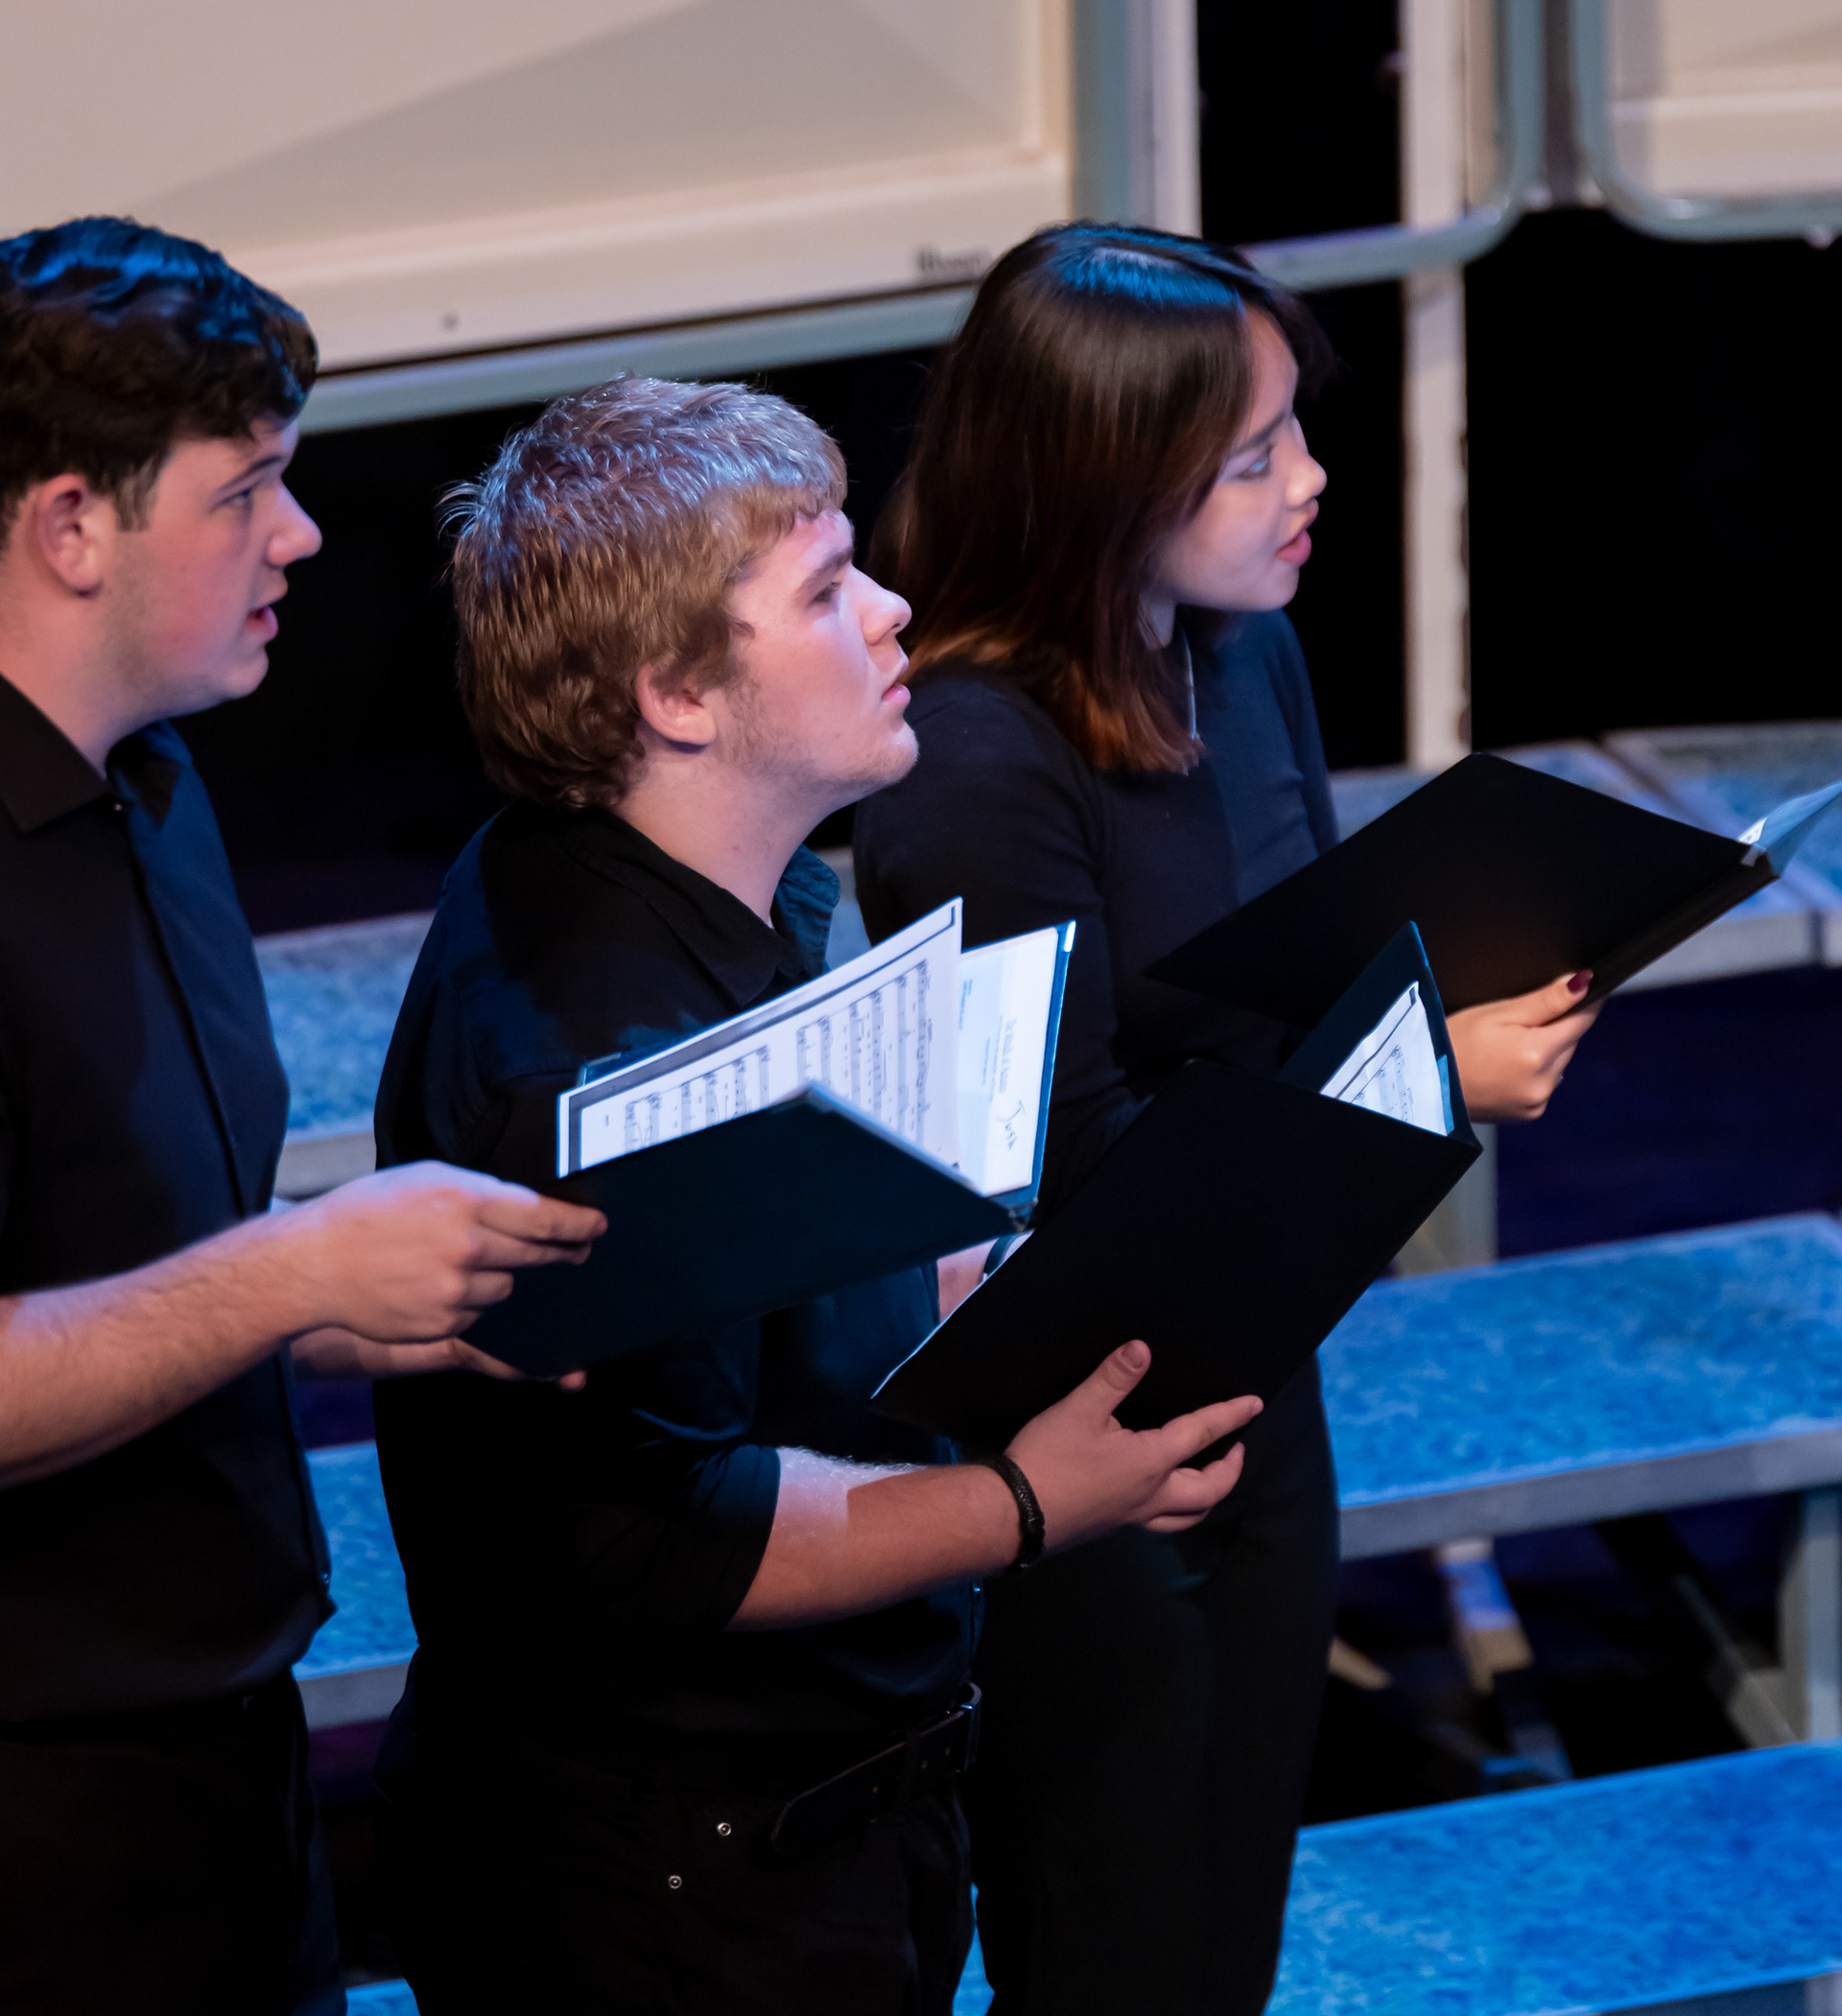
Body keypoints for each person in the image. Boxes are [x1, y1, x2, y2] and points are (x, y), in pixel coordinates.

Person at [369, 373, 1260, 2015]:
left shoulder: (708, 872)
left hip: (808, 1833)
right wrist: (1032, 1502)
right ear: (677, 696)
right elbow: (656, 1535)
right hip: (678, 1896)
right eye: (828, 588)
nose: (894, 608)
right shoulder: (599, 1064)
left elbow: (787, 1299)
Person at [853, 221, 1600, 2016]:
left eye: (1292, 434)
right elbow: (1068, 1178)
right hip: (1087, 1433)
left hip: (1260, 1369)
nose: (1309, 481)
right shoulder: (976, 762)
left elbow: (1302, 972)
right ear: (1102, 485)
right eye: (1253, 457)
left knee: (1224, 1943)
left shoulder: (1240, 649)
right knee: (1115, 1954)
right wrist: (1431, 1077)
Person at [0, 218, 606, 2016]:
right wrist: (292, 1274)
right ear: (71, 525)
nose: (303, 535)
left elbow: (133, 1252)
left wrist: (379, 1306)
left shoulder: (155, 781)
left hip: (226, 1750)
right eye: (248, 490)